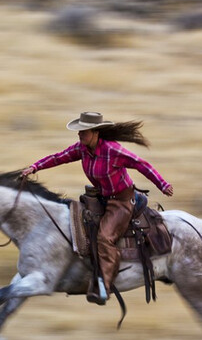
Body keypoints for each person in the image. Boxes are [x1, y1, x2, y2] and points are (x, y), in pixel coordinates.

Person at [20, 111, 174, 305]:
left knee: (104, 238)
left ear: (96, 133)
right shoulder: (82, 149)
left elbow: (141, 164)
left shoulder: (113, 150)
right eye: (79, 131)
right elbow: (59, 157)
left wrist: (163, 184)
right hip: (99, 198)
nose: (79, 135)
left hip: (121, 202)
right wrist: (35, 167)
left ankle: (103, 285)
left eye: (83, 132)